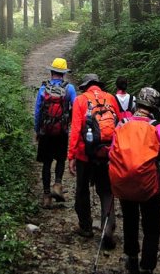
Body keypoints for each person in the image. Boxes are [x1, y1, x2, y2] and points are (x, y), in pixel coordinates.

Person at [108, 86, 160, 274]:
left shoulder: (122, 124)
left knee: (130, 221)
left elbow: (111, 153)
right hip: (148, 186)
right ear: (154, 107)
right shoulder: (157, 128)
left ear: (137, 104)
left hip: (124, 182)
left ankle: (132, 262)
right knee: (151, 228)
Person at [67, 73, 120, 246]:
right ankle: (107, 227)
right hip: (106, 153)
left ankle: (86, 227)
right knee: (106, 190)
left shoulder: (81, 100)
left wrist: (71, 156)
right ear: (98, 84)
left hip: (85, 153)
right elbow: (119, 125)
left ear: (86, 86)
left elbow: (75, 130)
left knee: (82, 190)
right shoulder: (110, 98)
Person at [34, 57, 77, 209]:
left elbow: (38, 111)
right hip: (62, 132)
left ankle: (46, 196)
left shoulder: (43, 88)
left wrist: (37, 130)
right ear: (63, 73)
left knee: (46, 163)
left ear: (52, 72)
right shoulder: (69, 89)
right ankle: (57, 185)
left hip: (46, 132)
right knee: (60, 159)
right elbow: (76, 108)